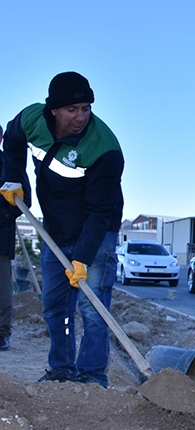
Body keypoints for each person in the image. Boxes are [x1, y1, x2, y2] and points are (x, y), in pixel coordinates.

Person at [1, 72, 124, 387]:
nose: (80, 117)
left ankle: (93, 376)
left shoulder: (104, 148)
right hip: (55, 229)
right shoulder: (31, 120)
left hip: (97, 231)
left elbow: (100, 212)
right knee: (56, 306)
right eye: (72, 109)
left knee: (93, 307)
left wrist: (83, 257)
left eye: (85, 108)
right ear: (53, 109)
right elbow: (12, 142)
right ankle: (62, 369)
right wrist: (13, 177)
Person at [0, 125, 31, 351]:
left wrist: (2, 215)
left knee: (2, 290)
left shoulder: (8, 165)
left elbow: (23, 200)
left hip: (0, 237)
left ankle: (2, 333)